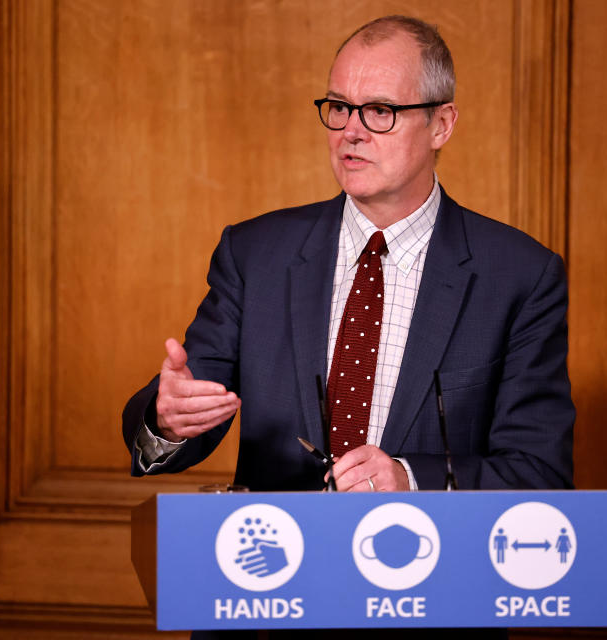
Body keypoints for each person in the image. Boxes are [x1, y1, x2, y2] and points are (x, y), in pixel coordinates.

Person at [122, 15, 574, 495]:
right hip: (278, 558)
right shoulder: (254, 255)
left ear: (441, 124)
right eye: (339, 107)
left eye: (379, 110)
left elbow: (538, 471)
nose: (351, 132)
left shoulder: (519, 276)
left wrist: (410, 478)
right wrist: (167, 419)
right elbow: (190, 405)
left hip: (427, 558)